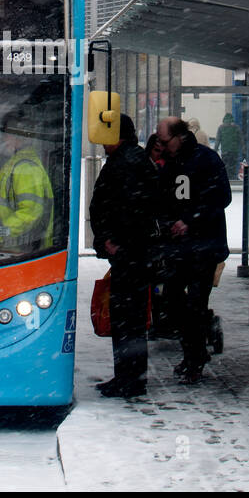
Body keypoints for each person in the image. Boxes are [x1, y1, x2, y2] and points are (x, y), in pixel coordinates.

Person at [155, 116, 231, 383]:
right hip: (181, 248)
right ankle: (194, 352)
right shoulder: (172, 164)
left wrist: (190, 220)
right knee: (175, 302)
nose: (162, 146)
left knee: (196, 303)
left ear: (180, 137)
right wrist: (169, 224)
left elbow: (222, 197)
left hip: (202, 248)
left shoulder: (206, 160)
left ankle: (194, 357)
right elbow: (162, 200)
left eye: (165, 141)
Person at [89, 114, 160, 397]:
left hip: (130, 253)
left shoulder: (127, 163)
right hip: (134, 252)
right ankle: (131, 376)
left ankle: (129, 378)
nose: (102, 143)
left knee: (126, 319)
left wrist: (115, 241)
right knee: (130, 318)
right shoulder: (133, 160)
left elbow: (128, 208)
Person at [0, 110, 55, 254]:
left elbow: (30, 212)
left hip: (19, 251)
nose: (4, 139)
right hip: (12, 250)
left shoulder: (26, 168)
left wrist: (0, 233)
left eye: (6, 134)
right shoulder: (16, 162)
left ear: (18, 136)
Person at [215, 112, 242, 181]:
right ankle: (233, 178)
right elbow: (240, 139)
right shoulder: (236, 127)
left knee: (225, 166)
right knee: (233, 165)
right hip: (234, 151)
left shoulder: (221, 127)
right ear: (232, 119)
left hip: (225, 151)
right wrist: (242, 148)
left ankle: (226, 178)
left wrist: (215, 149)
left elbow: (218, 140)